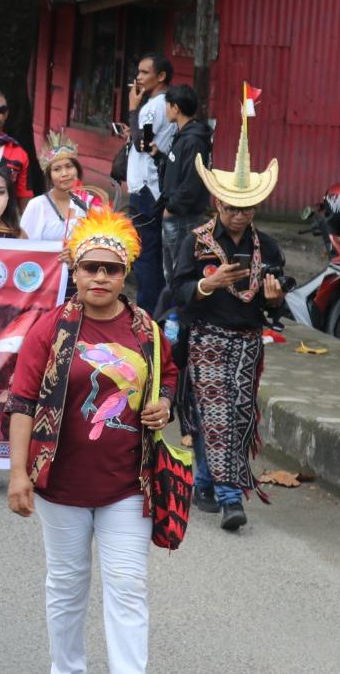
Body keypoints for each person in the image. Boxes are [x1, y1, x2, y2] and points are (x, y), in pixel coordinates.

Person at [6, 207, 177, 674]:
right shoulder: (49, 329)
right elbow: (21, 401)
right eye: (90, 267)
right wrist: (18, 473)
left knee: (128, 585)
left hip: (128, 486)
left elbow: (167, 378)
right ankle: (68, 669)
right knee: (66, 584)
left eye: (111, 268)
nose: (100, 277)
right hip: (60, 487)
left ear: (125, 274)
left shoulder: (147, 331)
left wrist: (163, 402)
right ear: (74, 272)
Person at [171, 119, 284, 531]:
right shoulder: (196, 241)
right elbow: (177, 288)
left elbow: (273, 311)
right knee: (216, 413)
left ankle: (203, 481)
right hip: (205, 339)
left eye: (247, 208)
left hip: (249, 342)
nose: (239, 215)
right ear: (218, 203)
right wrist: (207, 284)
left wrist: (275, 300)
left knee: (234, 416)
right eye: (232, 207)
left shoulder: (267, 246)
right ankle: (230, 498)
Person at [122, 53, 176, 312]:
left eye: (144, 72)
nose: (138, 77)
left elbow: (141, 143)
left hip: (146, 187)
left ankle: (147, 314)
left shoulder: (153, 106)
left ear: (161, 76)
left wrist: (133, 108)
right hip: (153, 185)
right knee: (152, 253)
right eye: (138, 72)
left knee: (146, 254)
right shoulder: (165, 105)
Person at [154, 84, 213, 282]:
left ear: (175, 108)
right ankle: (172, 309)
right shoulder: (182, 135)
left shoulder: (194, 140)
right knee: (170, 270)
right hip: (175, 213)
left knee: (179, 271)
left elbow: (192, 182)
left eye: (167, 105)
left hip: (182, 217)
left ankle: (179, 311)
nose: (166, 109)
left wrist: (170, 208)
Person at [21, 133, 104, 244]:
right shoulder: (37, 205)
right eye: (57, 169)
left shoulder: (92, 204)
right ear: (49, 176)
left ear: (77, 170)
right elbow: (23, 246)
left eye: (69, 167)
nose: (64, 173)